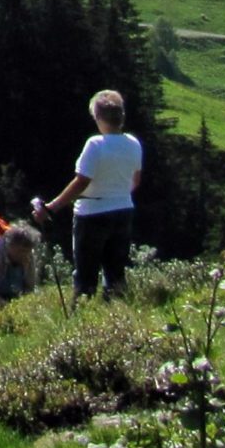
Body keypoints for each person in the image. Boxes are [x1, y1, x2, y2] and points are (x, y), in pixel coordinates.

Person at [38, 89, 144, 300]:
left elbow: (81, 181)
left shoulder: (95, 144)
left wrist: (52, 207)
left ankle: (81, 317)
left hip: (92, 213)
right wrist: (117, 193)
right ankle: (116, 316)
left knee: (85, 274)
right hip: (123, 209)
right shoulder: (133, 143)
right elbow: (135, 180)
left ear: (98, 117)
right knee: (115, 272)